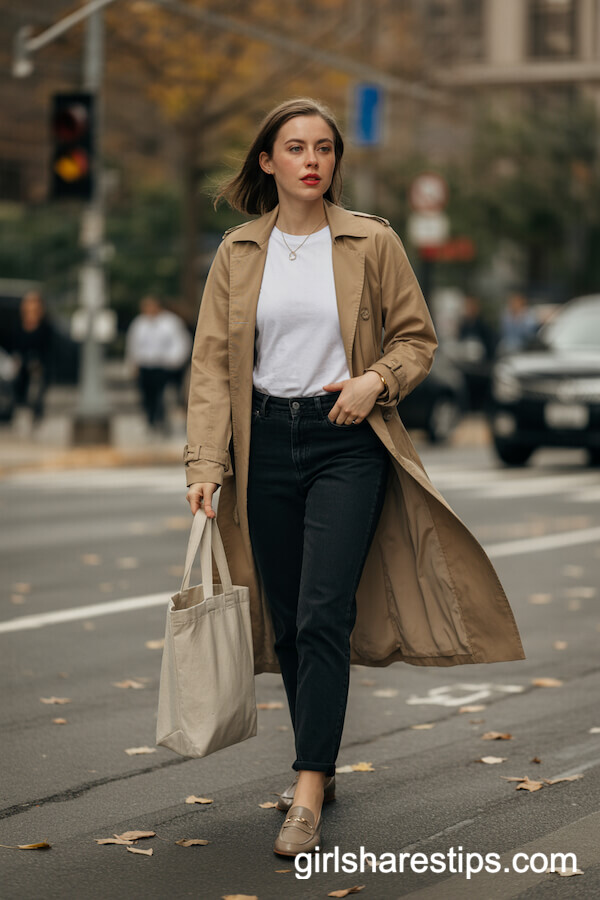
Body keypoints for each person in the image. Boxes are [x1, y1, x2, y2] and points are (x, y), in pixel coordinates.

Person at [183, 98, 525, 857]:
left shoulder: (373, 242)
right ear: (267, 162)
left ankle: (308, 784)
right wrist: (206, 463)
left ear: (337, 162)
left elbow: (416, 338)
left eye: (325, 148)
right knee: (286, 619)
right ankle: (320, 758)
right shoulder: (238, 251)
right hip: (264, 442)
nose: (312, 159)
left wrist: (376, 380)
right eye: (295, 147)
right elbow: (210, 365)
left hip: (347, 441)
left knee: (322, 612)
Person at [125, 296, 191, 435]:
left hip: (164, 366)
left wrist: (174, 361)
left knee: (162, 395)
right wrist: (133, 363)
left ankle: (162, 421)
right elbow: (133, 345)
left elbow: (181, 343)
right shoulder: (139, 323)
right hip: (145, 365)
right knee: (147, 395)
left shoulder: (171, 322)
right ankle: (151, 421)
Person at [12, 290, 54, 426]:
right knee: (20, 389)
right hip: (23, 364)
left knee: (37, 392)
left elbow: (48, 347)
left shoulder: (45, 326)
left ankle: (36, 417)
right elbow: (16, 345)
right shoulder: (19, 325)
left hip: (39, 365)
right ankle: (20, 415)